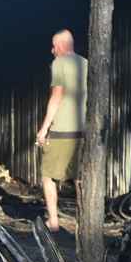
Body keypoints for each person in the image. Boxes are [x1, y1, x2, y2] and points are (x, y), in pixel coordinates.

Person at [36, 29, 87, 232]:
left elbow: (56, 97)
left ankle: (54, 221)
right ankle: (84, 223)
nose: (52, 50)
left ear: (61, 46)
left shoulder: (59, 64)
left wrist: (44, 129)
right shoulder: (85, 63)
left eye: (53, 46)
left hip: (62, 130)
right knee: (79, 178)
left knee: (47, 175)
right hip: (82, 130)